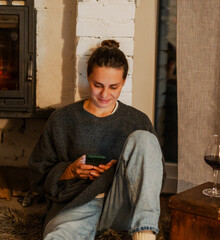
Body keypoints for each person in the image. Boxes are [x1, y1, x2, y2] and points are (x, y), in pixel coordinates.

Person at [29, 40, 165, 240]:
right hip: (76, 206)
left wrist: (123, 169)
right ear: (88, 77)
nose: (104, 94)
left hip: (122, 207)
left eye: (113, 87)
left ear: (124, 82)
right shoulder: (62, 119)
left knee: (144, 139)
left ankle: (145, 235)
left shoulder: (137, 120)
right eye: (97, 85)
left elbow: (155, 180)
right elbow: (37, 176)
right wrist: (70, 170)